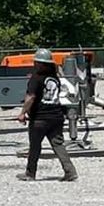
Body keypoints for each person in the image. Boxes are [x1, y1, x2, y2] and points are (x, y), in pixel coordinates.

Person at [16, 47, 78, 183]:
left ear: (39, 63)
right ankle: (70, 171)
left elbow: (31, 97)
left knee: (35, 146)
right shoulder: (54, 78)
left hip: (40, 118)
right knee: (58, 145)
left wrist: (22, 113)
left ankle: (30, 173)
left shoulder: (36, 78)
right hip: (56, 116)